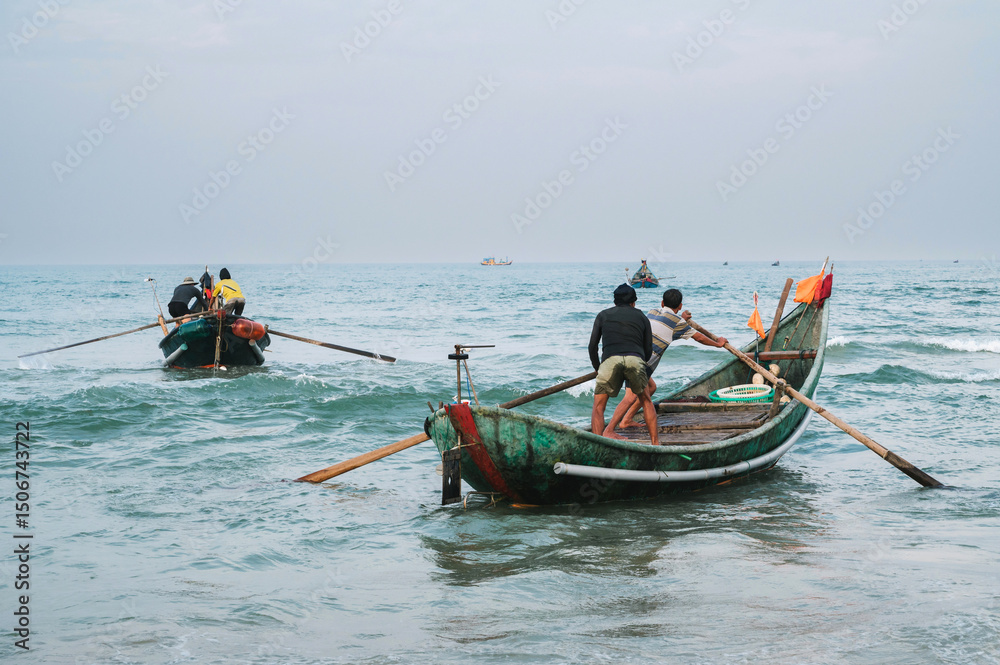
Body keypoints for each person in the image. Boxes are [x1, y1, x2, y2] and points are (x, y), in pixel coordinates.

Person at [604, 288, 728, 437]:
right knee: (630, 397)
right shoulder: (678, 323)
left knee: (651, 387)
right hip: (639, 362)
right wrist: (718, 344)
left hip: (631, 352)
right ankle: (609, 430)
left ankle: (627, 420)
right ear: (680, 306)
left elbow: (668, 323)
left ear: (662, 303)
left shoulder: (653, 312)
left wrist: (680, 318)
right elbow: (699, 338)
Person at [588, 284, 660, 446]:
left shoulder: (602, 315)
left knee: (598, 406)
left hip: (609, 361)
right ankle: (655, 443)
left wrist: (597, 367)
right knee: (646, 400)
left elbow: (592, 346)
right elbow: (648, 348)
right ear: (633, 302)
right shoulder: (641, 316)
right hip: (635, 360)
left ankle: (599, 445)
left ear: (615, 301)